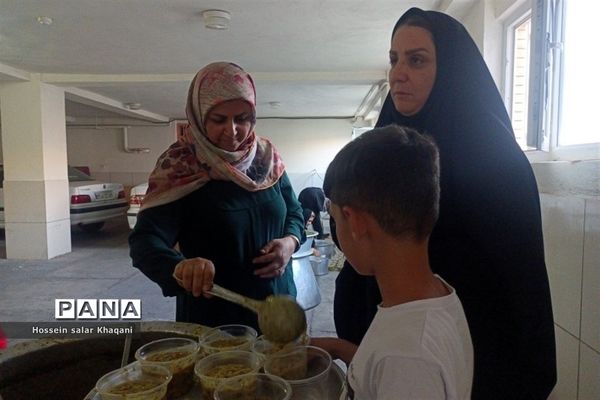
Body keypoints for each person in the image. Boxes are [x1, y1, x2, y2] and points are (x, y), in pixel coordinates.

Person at [332, 8, 556, 400]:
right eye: (394, 59)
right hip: (394, 346)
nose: (398, 73)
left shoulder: (493, 159)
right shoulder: (390, 144)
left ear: (450, 69)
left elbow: (515, 283)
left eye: (416, 60)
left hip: (460, 356)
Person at [129, 62, 305, 331]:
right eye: (219, 119)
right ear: (199, 118)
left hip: (278, 306)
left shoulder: (266, 158)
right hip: (215, 318)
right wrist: (180, 267)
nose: (232, 130)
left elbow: (295, 212)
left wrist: (290, 242)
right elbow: (144, 242)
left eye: (242, 118)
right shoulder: (180, 165)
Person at [313, 125, 473, 399]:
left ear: (355, 222)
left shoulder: (406, 357)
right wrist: (337, 347)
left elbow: (400, 363)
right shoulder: (435, 294)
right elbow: (384, 368)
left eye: (335, 218)